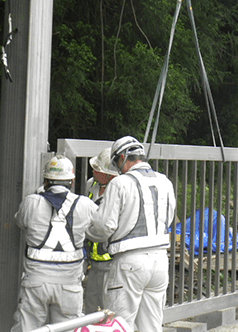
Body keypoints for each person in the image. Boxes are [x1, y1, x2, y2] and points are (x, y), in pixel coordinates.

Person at [87, 136, 176, 332]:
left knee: (119, 324)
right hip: (160, 260)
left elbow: (103, 227)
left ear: (122, 158)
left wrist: (87, 232)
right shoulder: (165, 181)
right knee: (151, 325)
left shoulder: (120, 183)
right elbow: (168, 219)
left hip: (130, 260)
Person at [12, 154, 98, 332]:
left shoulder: (31, 202)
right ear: (72, 182)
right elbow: (103, 227)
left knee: (28, 328)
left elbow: (19, 222)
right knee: (67, 329)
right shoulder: (85, 205)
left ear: (45, 180)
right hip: (69, 284)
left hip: (36, 282)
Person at [83, 147, 119, 314]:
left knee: (109, 306)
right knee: (91, 302)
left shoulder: (120, 190)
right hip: (93, 258)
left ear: (108, 174)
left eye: (97, 169)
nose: (93, 171)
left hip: (111, 260)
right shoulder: (91, 185)